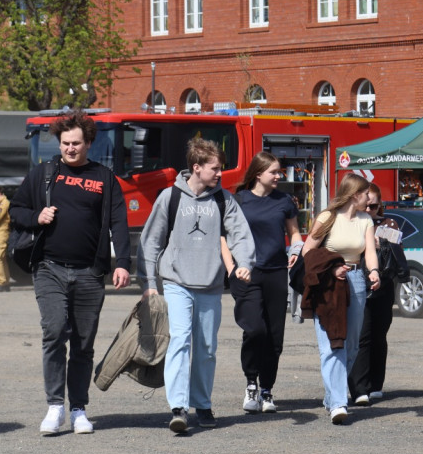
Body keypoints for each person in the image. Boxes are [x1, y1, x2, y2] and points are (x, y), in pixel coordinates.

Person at [9, 109, 131, 436]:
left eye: (76, 143)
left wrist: (122, 263)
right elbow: (16, 209)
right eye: (65, 143)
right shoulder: (44, 174)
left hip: (90, 272)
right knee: (52, 332)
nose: (70, 149)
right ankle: (54, 406)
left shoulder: (104, 177)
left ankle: (78, 408)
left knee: (82, 343)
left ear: (89, 142)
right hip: (49, 268)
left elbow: (119, 222)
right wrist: (38, 216)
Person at [139, 137, 255, 433]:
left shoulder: (223, 199)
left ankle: (201, 402)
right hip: (177, 280)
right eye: (215, 168)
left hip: (210, 284)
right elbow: (151, 240)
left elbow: (240, 234)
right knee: (180, 340)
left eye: (221, 168)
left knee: (206, 347)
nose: (220, 173)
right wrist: (149, 281)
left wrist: (244, 264)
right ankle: (178, 407)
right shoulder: (170, 197)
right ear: (197, 167)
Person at [222, 152, 302, 414]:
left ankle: (266, 389)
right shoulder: (239, 200)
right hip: (247, 273)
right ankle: (251, 383)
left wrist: (296, 252)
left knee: (274, 336)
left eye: (280, 172)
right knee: (255, 329)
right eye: (274, 172)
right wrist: (231, 267)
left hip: (277, 273)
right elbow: (224, 236)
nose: (279, 176)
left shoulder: (285, 201)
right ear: (259, 174)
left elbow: (294, 233)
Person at [301, 173, 380, 425]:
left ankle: (331, 395)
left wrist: (375, 272)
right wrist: (333, 267)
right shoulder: (327, 217)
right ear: (355, 194)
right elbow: (307, 253)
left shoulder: (366, 220)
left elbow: (369, 252)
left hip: (356, 280)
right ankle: (338, 402)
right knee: (332, 344)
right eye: (366, 193)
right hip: (328, 284)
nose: (370, 198)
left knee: (352, 344)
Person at [349, 184, 407, 405]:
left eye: (374, 206)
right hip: (357, 284)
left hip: (383, 287)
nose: (370, 210)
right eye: (367, 205)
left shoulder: (388, 224)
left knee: (379, 336)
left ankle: (376, 384)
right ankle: (359, 387)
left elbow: (398, 254)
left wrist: (381, 244)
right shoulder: (355, 223)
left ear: (380, 205)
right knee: (361, 336)